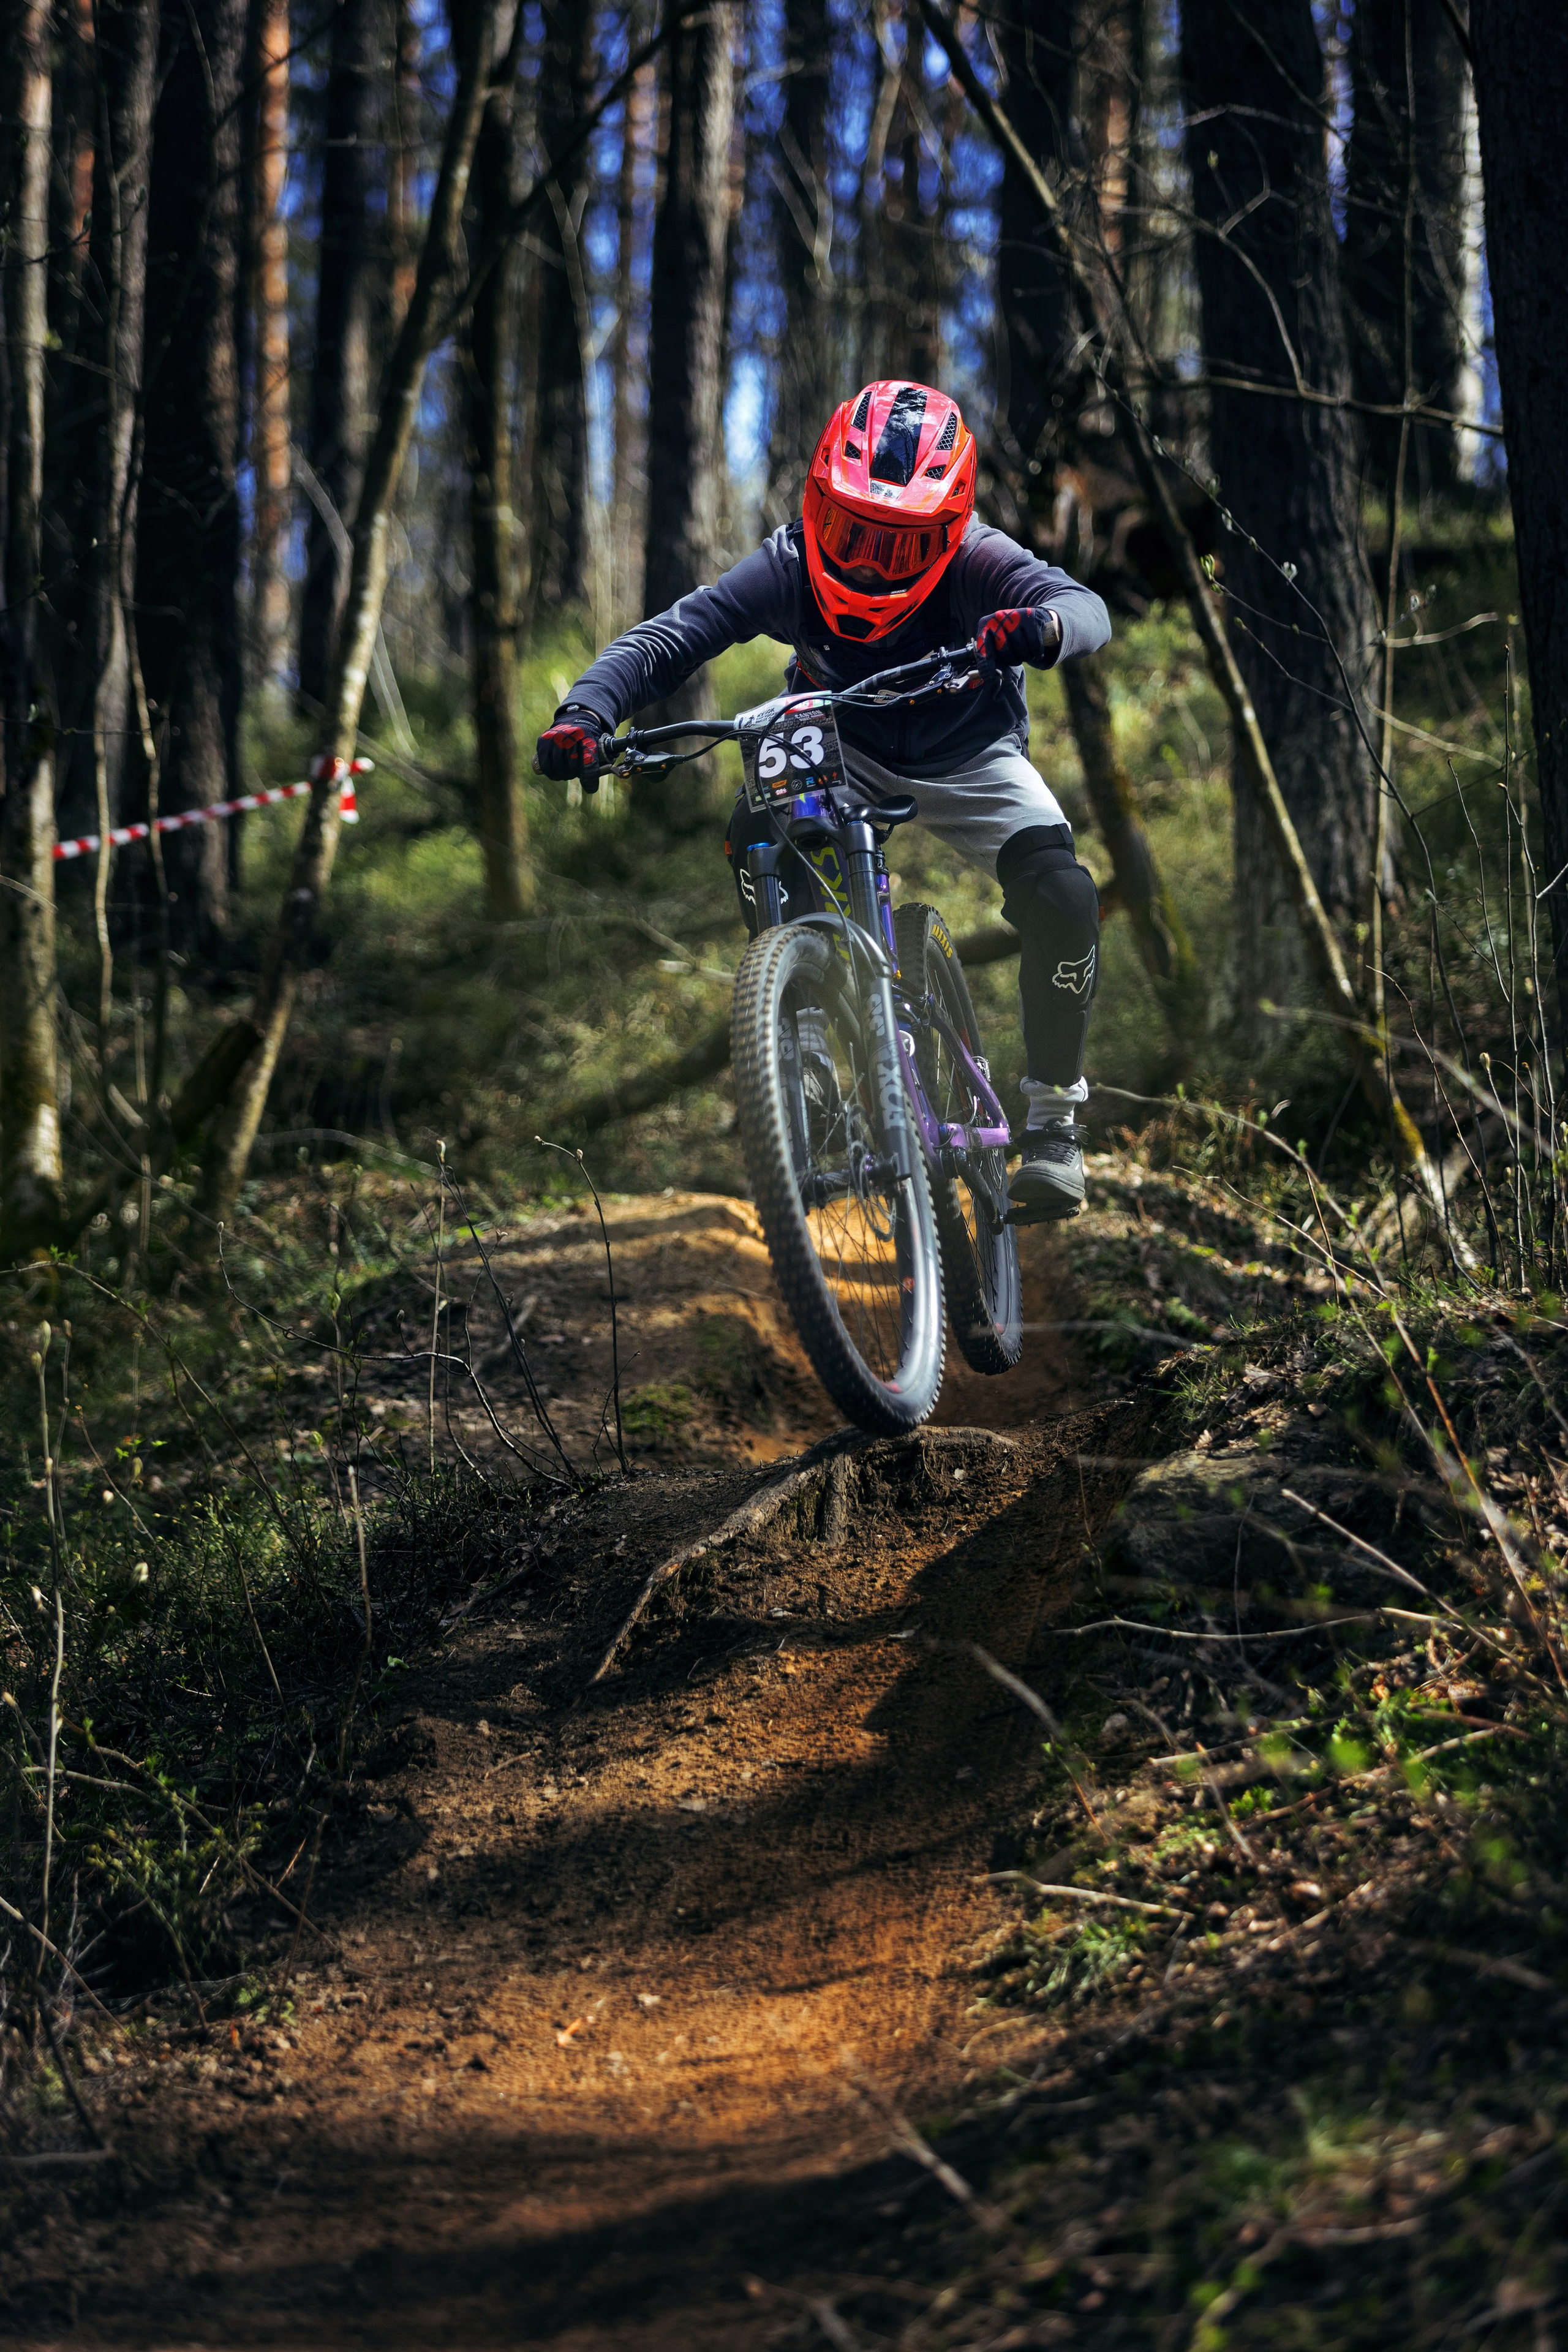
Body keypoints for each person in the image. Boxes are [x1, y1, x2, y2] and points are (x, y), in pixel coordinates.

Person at [535, 380, 1110, 1222]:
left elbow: (1083, 606)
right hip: (840, 739)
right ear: (815, 507)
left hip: (972, 751)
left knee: (1065, 898)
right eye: (851, 532)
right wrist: (586, 711)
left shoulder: (981, 558)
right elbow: (670, 638)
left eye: (901, 546)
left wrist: (1043, 629)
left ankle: (1055, 1123)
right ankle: (802, 1034)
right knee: (753, 829)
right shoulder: (788, 564)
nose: (871, 562)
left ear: (948, 535)